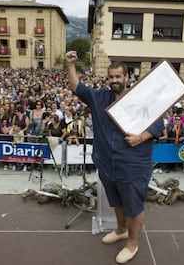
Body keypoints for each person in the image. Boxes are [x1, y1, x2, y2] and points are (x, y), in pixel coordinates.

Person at [66, 50, 164, 264]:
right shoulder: (99, 97)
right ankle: (121, 229)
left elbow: (159, 125)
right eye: (111, 77)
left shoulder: (141, 99)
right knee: (116, 201)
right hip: (107, 162)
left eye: (118, 76)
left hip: (133, 164)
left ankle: (132, 243)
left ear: (127, 77)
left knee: (134, 206)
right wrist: (70, 65)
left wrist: (140, 137)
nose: (114, 80)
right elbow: (77, 87)